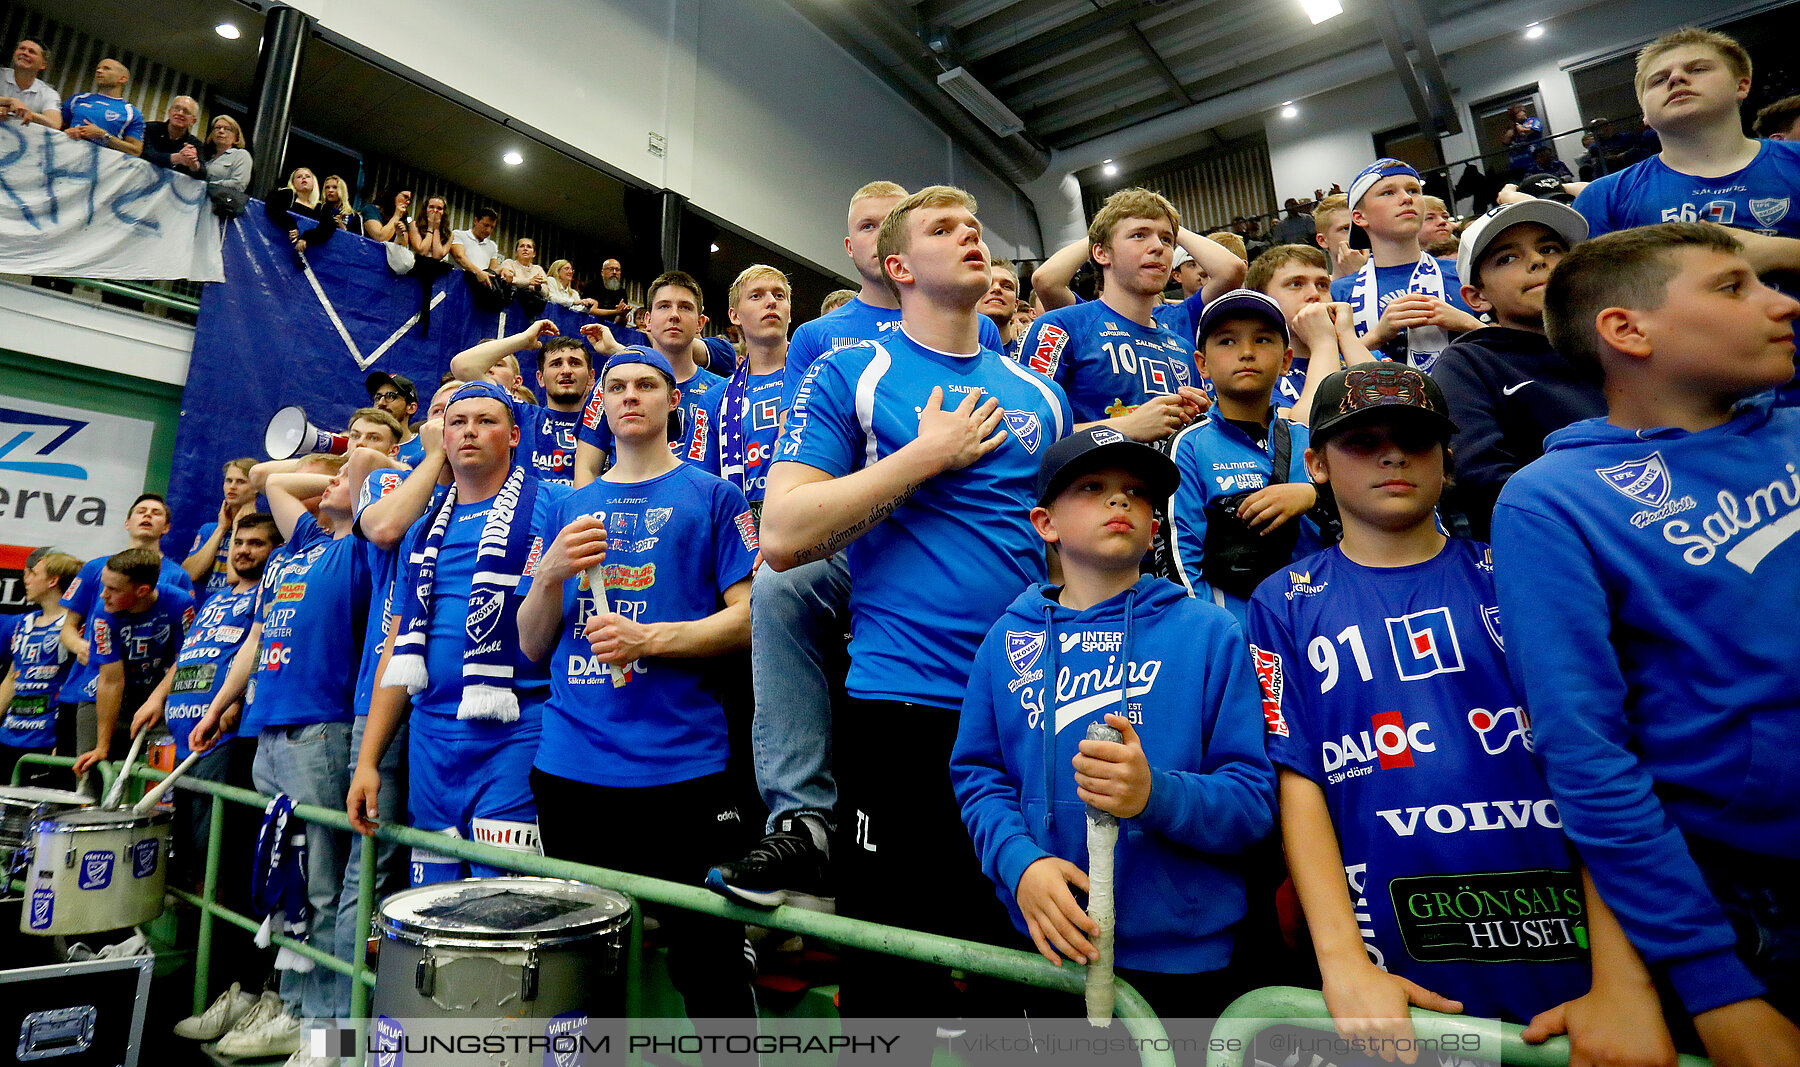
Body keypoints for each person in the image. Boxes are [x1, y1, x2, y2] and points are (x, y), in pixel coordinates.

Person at [1249, 365, 1658, 1053]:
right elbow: (1300, 779)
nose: (1392, 454)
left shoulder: (1522, 571)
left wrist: (1621, 978)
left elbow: (1600, 759)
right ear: (1315, 463)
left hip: (1572, 945)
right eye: (1362, 440)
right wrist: (1343, 961)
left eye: (1415, 437)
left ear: (1449, 456)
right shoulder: (1281, 601)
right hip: (1397, 959)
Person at [759, 185, 1072, 1018]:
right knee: (893, 975)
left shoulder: (1039, 394)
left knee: (1022, 970)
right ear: (896, 266)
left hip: (1027, 710)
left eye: (976, 228)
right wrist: (923, 456)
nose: (973, 238)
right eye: (944, 229)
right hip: (904, 710)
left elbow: (1062, 556)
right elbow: (783, 534)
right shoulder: (853, 370)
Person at [1495, 222, 1800, 1065]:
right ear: (1628, 331)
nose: (1782, 303)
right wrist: (1717, 987)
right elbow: (1587, 751)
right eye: (1733, 287)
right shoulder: (1551, 501)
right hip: (1760, 894)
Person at [706, 181, 1002, 909]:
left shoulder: (985, 338)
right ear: (864, 249)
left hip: (955, 530)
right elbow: (808, 471)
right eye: (863, 225)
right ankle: (804, 819)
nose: (874, 236)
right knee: (780, 584)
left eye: (885, 223)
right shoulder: (822, 343)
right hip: (858, 521)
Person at [950, 428, 1276, 1020]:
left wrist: (1156, 795)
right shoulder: (1007, 639)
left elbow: (1253, 804)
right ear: (1045, 523)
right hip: (1044, 949)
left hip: (1181, 966)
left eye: (1137, 493)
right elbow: (980, 777)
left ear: (1156, 528)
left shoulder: (1211, 634)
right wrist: (1020, 863)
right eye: (1093, 487)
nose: (1120, 501)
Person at [519, 347, 758, 1027]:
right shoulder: (564, 504)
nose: (630, 396)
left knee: (710, 968)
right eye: (616, 386)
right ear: (602, 404)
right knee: (585, 979)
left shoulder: (715, 495)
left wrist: (649, 639)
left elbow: (748, 621)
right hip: (573, 772)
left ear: (671, 399)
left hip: (684, 772)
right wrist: (549, 573)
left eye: (646, 385)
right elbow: (533, 642)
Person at [348, 380, 569, 888]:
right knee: (435, 904)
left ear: (514, 435)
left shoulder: (555, 505)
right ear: (441, 438)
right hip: (431, 742)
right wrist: (368, 762)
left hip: (519, 734)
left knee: (503, 903)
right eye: (458, 422)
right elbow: (396, 651)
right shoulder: (423, 530)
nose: (470, 431)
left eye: (486, 421)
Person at [190, 455, 372, 1050]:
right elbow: (272, 479)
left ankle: (324, 1025)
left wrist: (358, 479)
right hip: (268, 732)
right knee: (284, 879)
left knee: (320, 883)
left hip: (318, 729)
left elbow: (283, 484)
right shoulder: (305, 544)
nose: (335, 482)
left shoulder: (362, 545)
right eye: (331, 479)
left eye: (348, 479)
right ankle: (292, 1005)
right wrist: (221, 702)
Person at [143, 515, 281, 1032]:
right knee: (196, 869)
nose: (243, 550)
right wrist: (157, 698)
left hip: (227, 746)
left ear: (275, 549)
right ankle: (204, 978)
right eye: (239, 542)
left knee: (225, 873)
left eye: (256, 543)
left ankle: (232, 986)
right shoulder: (217, 598)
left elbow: (262, 657)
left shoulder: (263, 600)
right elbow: (186, 659)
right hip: (183, 747)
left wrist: (233, 706)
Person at [1431, 200, 1602, 541]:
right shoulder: (1467, 364)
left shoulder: (1620, 339)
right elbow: (1481, 480)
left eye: (1550, 248)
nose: (1538, 261)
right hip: (1555, 545)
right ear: (1476, 297)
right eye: (1507, 258)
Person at [1573, 28, 1800, 278]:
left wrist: (1781, 252)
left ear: (1742, 85)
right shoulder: (1603, 199)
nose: (1676, 78)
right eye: (1658, 80)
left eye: (1698, 69)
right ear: (1644, 114)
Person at [1017, 188, 1226, 442]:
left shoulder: (1182, 348)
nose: (1158, 247)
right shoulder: (1059, 328)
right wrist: (1122, 428)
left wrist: (1198, 424)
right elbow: (1026, 435)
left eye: (1167, 239)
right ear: (1101, 253)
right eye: (1139, 235)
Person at [1168, 290, 1328, 623]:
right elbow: (1180, 563)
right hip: (1240, 633)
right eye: (1227, 342)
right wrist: (1222, 642)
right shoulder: (1188, 446)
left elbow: (1361, 523)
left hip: (1326, 622)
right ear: (1202, 364)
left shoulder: (1313, 441)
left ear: (1286, 360)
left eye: (1263, 340)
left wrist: (1314, 496)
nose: (1246, 353)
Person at [1330, 159, 1482, 371]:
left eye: (1413, 190)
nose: (1406, 198)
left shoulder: (1463, 273)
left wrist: (1469, 325)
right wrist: (1376, 335)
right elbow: (1324, 374)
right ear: (1359, 217)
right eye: (1388, 193)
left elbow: (1514, 351)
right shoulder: (1338, 292)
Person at [573, 272, 726, 480]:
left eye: (685, 307)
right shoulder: (611, 384)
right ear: (647, 320)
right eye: (664, 306)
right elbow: (586, 469)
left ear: (700, 323)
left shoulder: (723, 393)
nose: (674, 315)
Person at [69, 548, 196, 778]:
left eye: (113, 589)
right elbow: (111, 680)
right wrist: (102, 747)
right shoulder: (104, 612)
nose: (103, 595)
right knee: (93, 771)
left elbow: (185, 659)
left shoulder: (180, 603)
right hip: (103, 695)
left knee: (162, 777)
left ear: (142, 590)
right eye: (104, 585)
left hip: (159, 693)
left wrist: (156, 699)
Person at [451, 322, 595, 485]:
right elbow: (462, 366)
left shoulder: (606, 422)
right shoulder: (520, 413)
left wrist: (614, 350)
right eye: (556, 364)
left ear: (591, 377)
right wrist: (524, 339)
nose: (566, 370)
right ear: (540, 378)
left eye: (575, 363)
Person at [1244, 244, 1376, 420]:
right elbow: (1304, 432)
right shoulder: (1255, 372)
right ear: (1261, 300)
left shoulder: (1365, 354)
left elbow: (1399, 409)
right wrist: (1323, 343)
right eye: (1296, 284)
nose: (1314, 294)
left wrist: (1347, 337)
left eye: (1322, 285)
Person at [716, 265, 791, 516]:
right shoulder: (715, 399)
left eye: (779, 295)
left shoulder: (821, 379)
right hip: (743, 539)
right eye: (757, 296)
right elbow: (704, 490)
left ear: (789, 313)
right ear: (734, 315)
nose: (771, 302)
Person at [0, 551, 81, 783]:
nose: (26, 579)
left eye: (33, 573)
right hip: (8, 737)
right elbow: (11, 679)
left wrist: (64, 742)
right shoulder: (21, 624)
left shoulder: (74, 627)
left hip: (46, 740)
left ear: (52, 581)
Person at [183, 458, 259, 603]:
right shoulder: (209, 529)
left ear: (256, 487)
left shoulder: (263, 531)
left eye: (240, 482)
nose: (232, 487)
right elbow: (189, 574)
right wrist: (221, 529)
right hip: (205, 610)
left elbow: (236, 578)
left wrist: (238, 527)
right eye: (228, 481)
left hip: (239, 609)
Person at [60, 58, 143, 155]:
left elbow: (136, 151)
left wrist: (104, 136)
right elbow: (56, 127)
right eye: (98, 68)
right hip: (65, 156)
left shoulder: (131, 113)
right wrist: (66, 132)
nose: (99, 71)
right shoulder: (77, 99)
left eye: (106, 68)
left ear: (122, 79)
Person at [264, 167, 339, 262]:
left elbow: (329, 226)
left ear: (314, 182)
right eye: (299, 177)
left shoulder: (320, 207)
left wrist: (306, 239)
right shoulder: (287, 195)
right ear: (293, 182)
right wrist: (291, 225)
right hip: (275, 250)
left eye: (308, 176)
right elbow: (272, 206)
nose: (303, 178)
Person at [365, 371, 424, 466]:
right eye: (378, 397)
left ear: (411, 407)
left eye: (391, 396)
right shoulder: (363, 446)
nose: (381, 403)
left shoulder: (424, 447)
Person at [1, 39, 63, 129]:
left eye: (32, 52)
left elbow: (55, 124)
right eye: (22, 49)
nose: (25, 53)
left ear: (43, 65)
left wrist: (24, 113)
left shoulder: (49, 93)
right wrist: (10, 101)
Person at [134, 95, 203, 176]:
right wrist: (177, 158)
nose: (180, 113)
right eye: (176, 108)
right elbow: (145, 153)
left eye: (186, 111)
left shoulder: (195, 144)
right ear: (169, 112)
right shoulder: (149, 128)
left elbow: (203, 174)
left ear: (193, 121)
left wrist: (193, 164)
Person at [450, 206, 505, 300]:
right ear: (476, 221)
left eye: (492, 227)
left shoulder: (492, 246)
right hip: (456, 289)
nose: (488, 230)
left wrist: (504, 271)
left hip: (479, 293)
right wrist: (478, 272)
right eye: (486, 225)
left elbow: (493, 270)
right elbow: (459, 257)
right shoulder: (459, 235)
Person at [1313, 194, 1366, 280]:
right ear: (1322, 240)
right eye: (1345, 228)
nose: (1358, 234)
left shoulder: (1392, 281)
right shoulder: (1321, 292)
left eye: (1361, 226)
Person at [201, 115, 252, 192]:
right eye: (217, 128)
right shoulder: (205, 155)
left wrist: (207, 186)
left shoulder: (241, 155)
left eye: (227, 129)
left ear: (236, 137)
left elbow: (238, 184)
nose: (221, 131)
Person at [1502, 103, 1547, 180]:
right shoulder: (1512, 128)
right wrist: (1514, 126)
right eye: (1520, 111)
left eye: (1523, 110)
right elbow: (1505, 141)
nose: (1523, 112)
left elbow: (1524, 132)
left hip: (1534, 163)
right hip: (1517, 166)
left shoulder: (1533, 120)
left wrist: (1517, 126)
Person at [498, 237, 550, 303]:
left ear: (534, 254)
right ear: (516, 252)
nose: (525, 249)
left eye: (529, 247)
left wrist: (538, 287)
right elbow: (508, 280)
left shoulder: (538, 269)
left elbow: (546, 292)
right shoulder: (509, 263)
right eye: (522, 246)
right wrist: (529, 281)